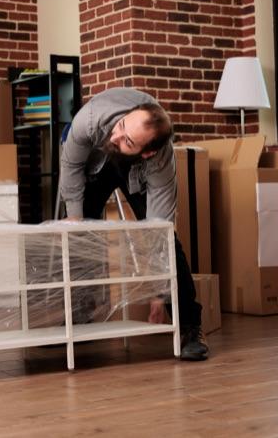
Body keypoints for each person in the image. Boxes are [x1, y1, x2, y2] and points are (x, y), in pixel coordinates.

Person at [58, 87, 209, 361]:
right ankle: (77, 317)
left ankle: (190, 327)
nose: (117, 136)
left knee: (168, 242)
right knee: (77, 235)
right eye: (121, 125)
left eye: (127, 140)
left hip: (134, 172)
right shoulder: (92, 119)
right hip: (93, 162)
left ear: (147, 153)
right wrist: (75, 220)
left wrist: (158, 294)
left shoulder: (159, 162)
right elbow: (70, 166)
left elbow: (158, 232)